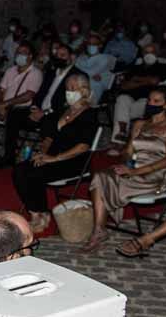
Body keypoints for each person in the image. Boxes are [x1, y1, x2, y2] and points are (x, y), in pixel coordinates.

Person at [85, 87, 166, 254]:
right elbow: (128, 152)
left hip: (155, 174)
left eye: (156, 101)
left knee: (106, 180)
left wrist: (136, 172)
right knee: (101, 175)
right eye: (150, 100)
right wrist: (127, 164)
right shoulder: (140, 124)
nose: (151, 104)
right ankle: (99, 229)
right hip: (135, 168)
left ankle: (99, 231)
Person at [10, 73, 99, 230]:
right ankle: (36, 212)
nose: (68, 92)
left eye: (72, 88)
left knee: (35, 173)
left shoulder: (89, 114)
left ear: (83, 90)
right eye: (67, 88)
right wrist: (42, 153)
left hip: (73, 160)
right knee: (20, 169)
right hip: (52, 157)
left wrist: (54, 158)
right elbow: (49, 138)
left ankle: (42, 213)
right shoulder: (62, 111)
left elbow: (83, 146)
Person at [0, 41, 83, 168]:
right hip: (39, 111)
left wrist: (44, 112)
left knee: (49, 122)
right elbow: (39, 94)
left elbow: (70, 104)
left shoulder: (78, 76)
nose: (59, 58)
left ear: (71, 57)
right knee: (14, 114)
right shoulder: (51, 72)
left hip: (57, 114)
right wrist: (35, 108)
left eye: (63, 55)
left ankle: (44, 159)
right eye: (57, 55)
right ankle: (9, 157)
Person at [108, 42, 166, 146]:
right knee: (122, 99)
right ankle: (122, 133)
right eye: (146, 52)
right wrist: (146, 80)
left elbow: (155, 81)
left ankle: (119, 138)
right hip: (130, 97)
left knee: (123, 111)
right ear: (142, 53)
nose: (149, 54)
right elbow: (124, 85)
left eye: (152, 52)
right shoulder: (136, 65)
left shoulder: (162, 66)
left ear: (157, 54)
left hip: (148, 100)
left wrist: (136, 80)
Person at [76, 31, 117, 104]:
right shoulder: (82, 57)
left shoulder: (104, 58)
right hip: (81, 82)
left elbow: (91, 72)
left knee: (93, 82)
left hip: (96, 85)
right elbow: (75, 69)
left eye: (94, 44)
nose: (91, 46)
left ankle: (88, 106)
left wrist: (81, 70)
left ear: (100, 45)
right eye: (89, 44)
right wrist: (88, 74)